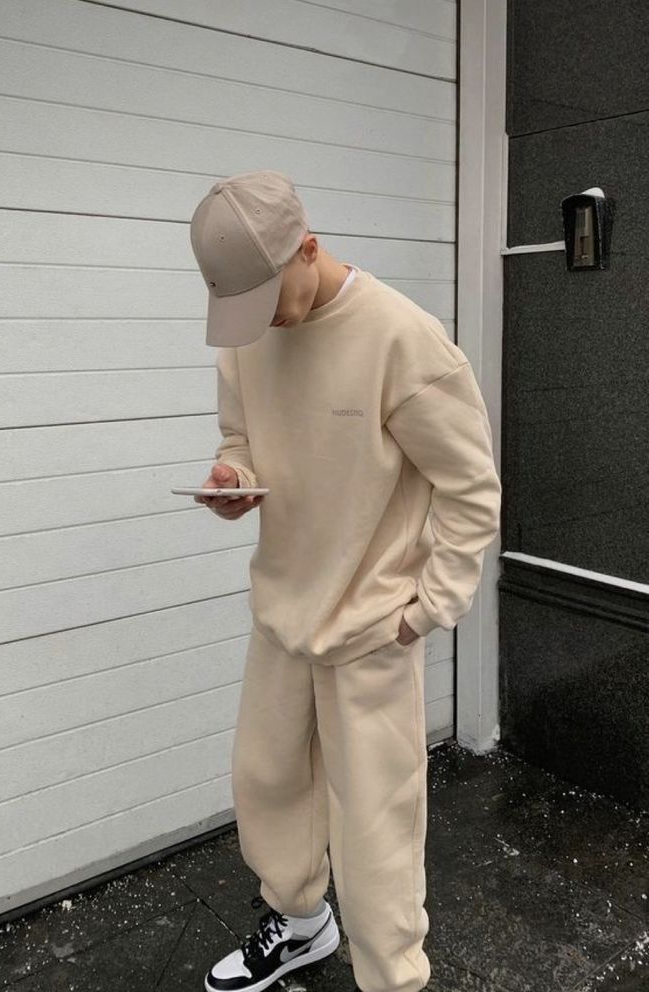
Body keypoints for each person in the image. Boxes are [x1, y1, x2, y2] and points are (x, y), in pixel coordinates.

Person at [188, 171, 502, 992]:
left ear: (310, 249)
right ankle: (299, 926)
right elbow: (243, 433)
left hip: (369, 628)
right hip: (283, 610)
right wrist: (234, 476)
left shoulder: (402, 339)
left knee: (375, 830)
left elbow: (470, 488)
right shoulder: (250, 330)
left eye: (269, 300)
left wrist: (426, 609)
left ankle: (393, 977)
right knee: (266, 784)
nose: (261, 324)